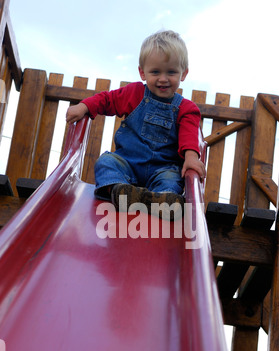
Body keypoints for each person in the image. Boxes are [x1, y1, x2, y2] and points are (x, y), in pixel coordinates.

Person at [66, 30, 206, 220]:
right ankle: (120, 191)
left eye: (171, 72)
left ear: (184, 73)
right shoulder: (134, 93)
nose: (163, 78)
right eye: (155, 72)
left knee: (172, 179)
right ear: (142, 72)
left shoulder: (186, 108)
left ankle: (163, 201)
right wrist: (85, 106)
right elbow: (108, 100)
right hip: (127, 164)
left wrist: (191, 158)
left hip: (162, 169)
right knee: (106, 162)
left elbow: (189, 135)